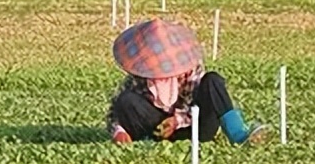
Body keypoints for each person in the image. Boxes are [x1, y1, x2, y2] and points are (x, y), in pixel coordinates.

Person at [106, 18, 267, 145]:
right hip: (156, 127)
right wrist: (118, 131)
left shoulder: (190, 71)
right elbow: (115, 110)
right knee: (126, 99)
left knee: (213, 81)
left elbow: (198, 103)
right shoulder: (140, 75)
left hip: (194, 128)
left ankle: (238, 133)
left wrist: (178, 120)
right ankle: (148, 139)